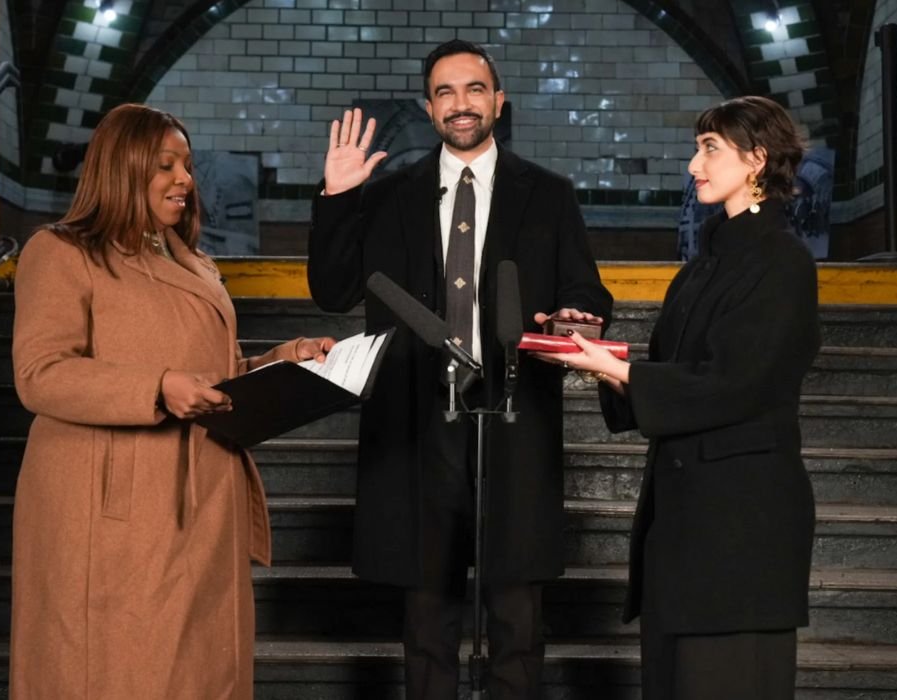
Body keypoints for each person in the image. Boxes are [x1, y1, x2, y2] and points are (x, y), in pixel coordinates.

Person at [307, 39, 614, 700]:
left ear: (498, 101)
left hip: (513, 416)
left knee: (516, 617)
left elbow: (588, 292)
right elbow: (333, 291)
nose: (461, 103)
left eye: (474, 88)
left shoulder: (550, 195)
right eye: (445, 92)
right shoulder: (387, 195)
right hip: (416, 423)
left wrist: (577, 316)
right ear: (429, 107)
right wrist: (338, 196)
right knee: (427, 620)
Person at [9, 103, 334, 699]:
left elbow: (214, 376)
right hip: (112, 507)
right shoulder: (60, 252)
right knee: (117, 672)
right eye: (165, 165)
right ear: (122, 167)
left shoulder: (194, 262)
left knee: (197, 673)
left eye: (185, 164)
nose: (185, 178)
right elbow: (40, 373)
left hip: (202, 496)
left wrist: (284, 361)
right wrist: (155, 387)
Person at [541, 95, 820, 699]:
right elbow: (666, 372)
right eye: (698, 148)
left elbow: (737, 383)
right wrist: (587, 347)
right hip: (682, 536)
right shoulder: (699, 269)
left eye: (710, 148)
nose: (694, 164)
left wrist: (622, 375)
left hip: (743, 536)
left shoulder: (785, 263)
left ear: (757, 159)